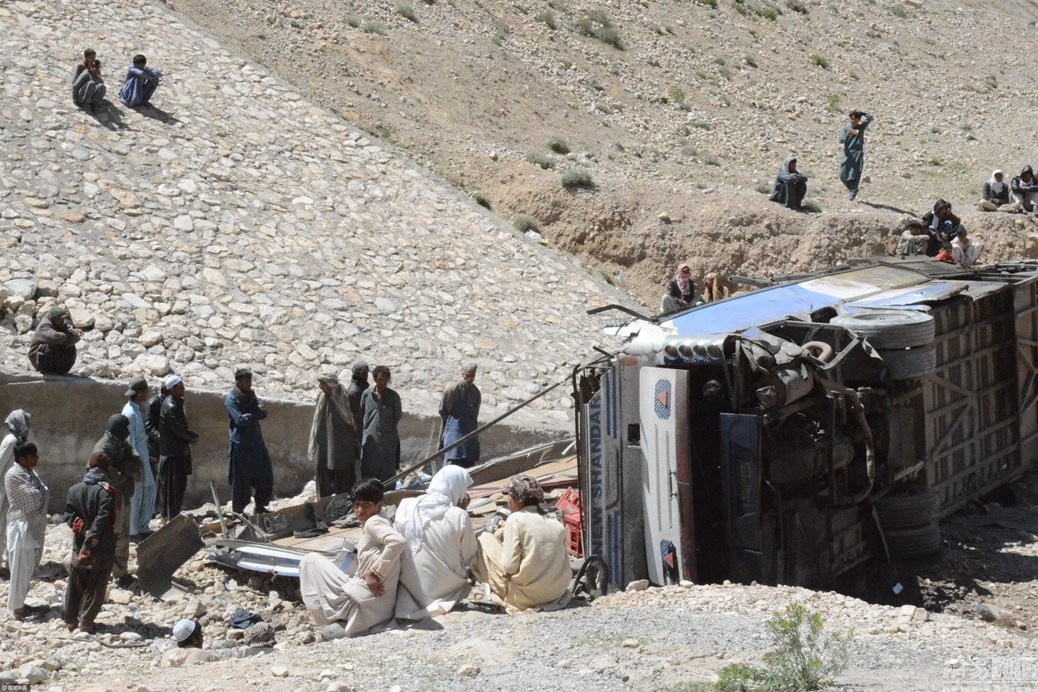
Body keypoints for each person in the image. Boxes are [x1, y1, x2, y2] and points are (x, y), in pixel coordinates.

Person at [299, 479, 405, 638]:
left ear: (379, 506)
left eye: (366, 506)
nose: (360, 511)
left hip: (366, 603)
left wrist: (376, 573)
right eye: (356, 505)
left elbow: (398, 542)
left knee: (310, 561)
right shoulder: (381, 518)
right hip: (380, 608)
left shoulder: (373, 522)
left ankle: (329, 619)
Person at [473, 475, 571, 611]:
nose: (507, 501)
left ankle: (502, 596)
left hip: (527, 597)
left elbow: (509, 567)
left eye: (509, 496)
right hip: (556, 594)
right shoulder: (555, 524)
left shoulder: (516, 519)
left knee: (484, 539)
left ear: (518, 499)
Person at [394, 465, 477, 620]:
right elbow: (469, 555)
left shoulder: (406, 506)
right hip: (445, 588)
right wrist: (462, 510)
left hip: (412, 588)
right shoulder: (458, 515)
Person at [64, 452, 117, 634]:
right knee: (97, 583)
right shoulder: (106, 492)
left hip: (79, 543)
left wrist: (83, 533)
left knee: (76, 581)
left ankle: (70, 620)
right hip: (101, 545)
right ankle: (86, 623)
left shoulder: (74, 489)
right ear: (106, 470)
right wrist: (91, 540)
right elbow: (102, 520)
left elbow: (69, 517)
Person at [92, 414, 138, 587]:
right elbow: (113, 478)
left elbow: (134, 458)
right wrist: (125, 471)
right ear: (117, 430)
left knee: (123, 535)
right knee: (112, 535)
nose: (127, 432)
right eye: (125, 429)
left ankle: (120, 572)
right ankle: (103, 571)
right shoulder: (102, 449)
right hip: (110, 499)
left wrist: (126, 469)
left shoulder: (120, 443)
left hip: (123, 496)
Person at [5, 442, 48, 620]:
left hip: (31, 525)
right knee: (19, 568)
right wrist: (42, 492)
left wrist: (42, 492)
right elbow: (35, 497)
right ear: (23, 459)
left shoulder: (30, 473)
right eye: (33, 456)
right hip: (21, 527)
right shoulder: (13, 475)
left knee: (27, 567)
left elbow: (43, 491)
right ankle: (17, 608)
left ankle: (21, 602)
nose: (37, 459)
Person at [225, 368, 273, 515]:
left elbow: (263, 413)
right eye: (246, 381)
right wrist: (255, 414)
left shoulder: (251, 396)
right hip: (240, 445)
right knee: (240, 481)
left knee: (264, 475)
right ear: (238, 382)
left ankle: (260, 506)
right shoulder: (231, 399)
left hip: (256, 443)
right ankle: (238, 512)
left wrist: (252, 415)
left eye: (250, 381)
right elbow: (239, 419)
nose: (249, 384)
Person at [308, 371, 358, 498]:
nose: (320, 387)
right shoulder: (322, 397)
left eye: (322, 384)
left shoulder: (344, 397)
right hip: (324, 446)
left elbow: (351, 420)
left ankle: (345, 503)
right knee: (323, 474)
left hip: (342, 447)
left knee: (343, 475)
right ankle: (323, 504)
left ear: (330, 385)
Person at [158, 375, 198, 523]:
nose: (183, 389)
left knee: (177, 489)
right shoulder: (170, 407)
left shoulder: (176, 403)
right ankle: (171, 520)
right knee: (172, 491)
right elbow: (179, 430)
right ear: (172, 389)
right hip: (172, 456)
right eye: (180, 387)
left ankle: (171, 517)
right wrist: (192, 437)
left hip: (178, 454)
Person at [123, 376, 156, 538]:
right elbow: (130, 442)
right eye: (146, 392)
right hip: (137, 458)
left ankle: (142, 526)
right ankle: (134, 529)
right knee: (136, 494)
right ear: (140, 393)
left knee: (147, 490)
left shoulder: (137, 409)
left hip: (142, 455)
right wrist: (135, 467)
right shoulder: (131, 413)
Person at [0, 410, 31, 579]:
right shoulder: (11, 440)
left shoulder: (18, 440)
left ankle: (7, 559)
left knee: (8, 525)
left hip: (10, 490)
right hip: (3, 490)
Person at [361, 366, 402, 482]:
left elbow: (397, 416)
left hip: (388, 441)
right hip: (371, 441)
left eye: (385, 380)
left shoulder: (394, 397)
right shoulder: (366, 394)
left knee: (387, 473)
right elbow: (363, 411)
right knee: (369, 471)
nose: (382, 383)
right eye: (380, 380)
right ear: (374, 379)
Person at [439, 365, 481, 469]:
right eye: (468, 375)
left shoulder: (475, 393)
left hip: (469, 435)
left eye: (473, 376)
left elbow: (475, 414)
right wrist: (452, 423)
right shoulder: (452, 389)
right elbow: (443, 410)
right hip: (453, 434)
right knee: (450, 465)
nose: (470, 379)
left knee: (467, 468)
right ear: (463, 375)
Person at [27, 306, 82, 375]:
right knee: (49, 345)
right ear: (54, 319)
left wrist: (65, 336)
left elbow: (76, 336)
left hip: (55, 358)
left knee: (70, 345)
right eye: (60, 319)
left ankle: (62, 370)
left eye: (63, 319)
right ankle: (46, 370)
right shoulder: (44, 326)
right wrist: (66, 335)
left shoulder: (61, 324)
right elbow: (54, 337)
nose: (62, 321)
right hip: (38, 359)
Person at [838, 110, 872, 201]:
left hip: (858, 153)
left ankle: (853, 192)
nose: (852, 121)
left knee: (855, 174)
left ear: (858, 120)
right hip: (848, 153)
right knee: (842, 174)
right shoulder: (846, 128)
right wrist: (847, 135)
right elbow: (841, 140)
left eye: (854, 119)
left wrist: (861, 113)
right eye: (851, 119)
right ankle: (852, 189)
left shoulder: (861, 127)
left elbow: (870, 117)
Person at [346, 360, 369, 455]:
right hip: (358, 433)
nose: (366, 375)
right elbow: (358, 416)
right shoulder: (355, 392)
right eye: (364, 373)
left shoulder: (362, 389)